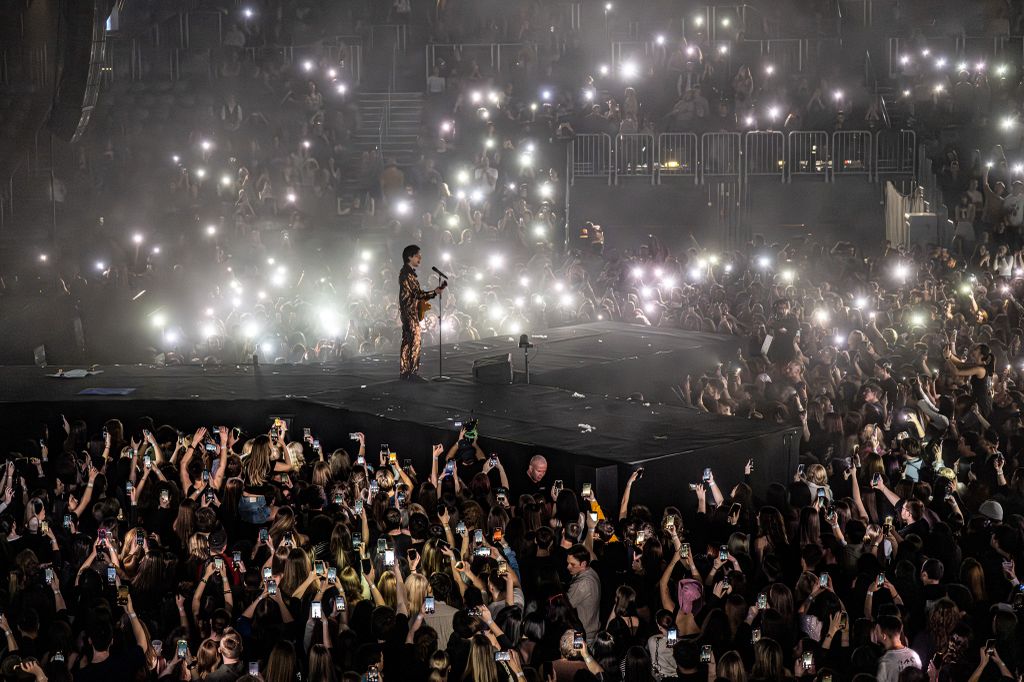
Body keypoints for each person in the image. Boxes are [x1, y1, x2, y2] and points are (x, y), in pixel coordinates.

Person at [398, 244, 443, 381]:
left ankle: (405, 371)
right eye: (417, 255)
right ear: (410, 257)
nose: (420, 258)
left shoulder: (408, 273)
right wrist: (433, 293)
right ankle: (413, 373)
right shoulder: (407, 275)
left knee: (407, 342)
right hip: (410, 313)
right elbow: (417, 294)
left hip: (408, 311)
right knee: (415, 341)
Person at [874, 615, 921, 682]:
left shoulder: (885, 662)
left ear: (884, 636)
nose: (875, 633)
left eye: (877, 630)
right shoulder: (915, 655)